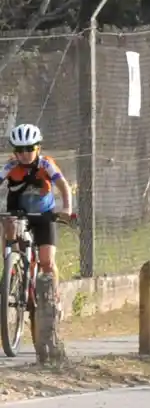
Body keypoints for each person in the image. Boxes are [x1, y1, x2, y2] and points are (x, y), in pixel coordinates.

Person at [2, 123, 73, 290]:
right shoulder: (11, 166)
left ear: (38, 148)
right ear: (14, 152)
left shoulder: (45, 164)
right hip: (19, 214)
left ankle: (54, 298)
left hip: (44, 215)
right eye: (19, 150)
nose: (25, 154)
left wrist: (67, 209)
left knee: (47, 261)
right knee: (8, 227)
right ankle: (11, 271)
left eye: (29, 148)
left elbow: (63, 185)